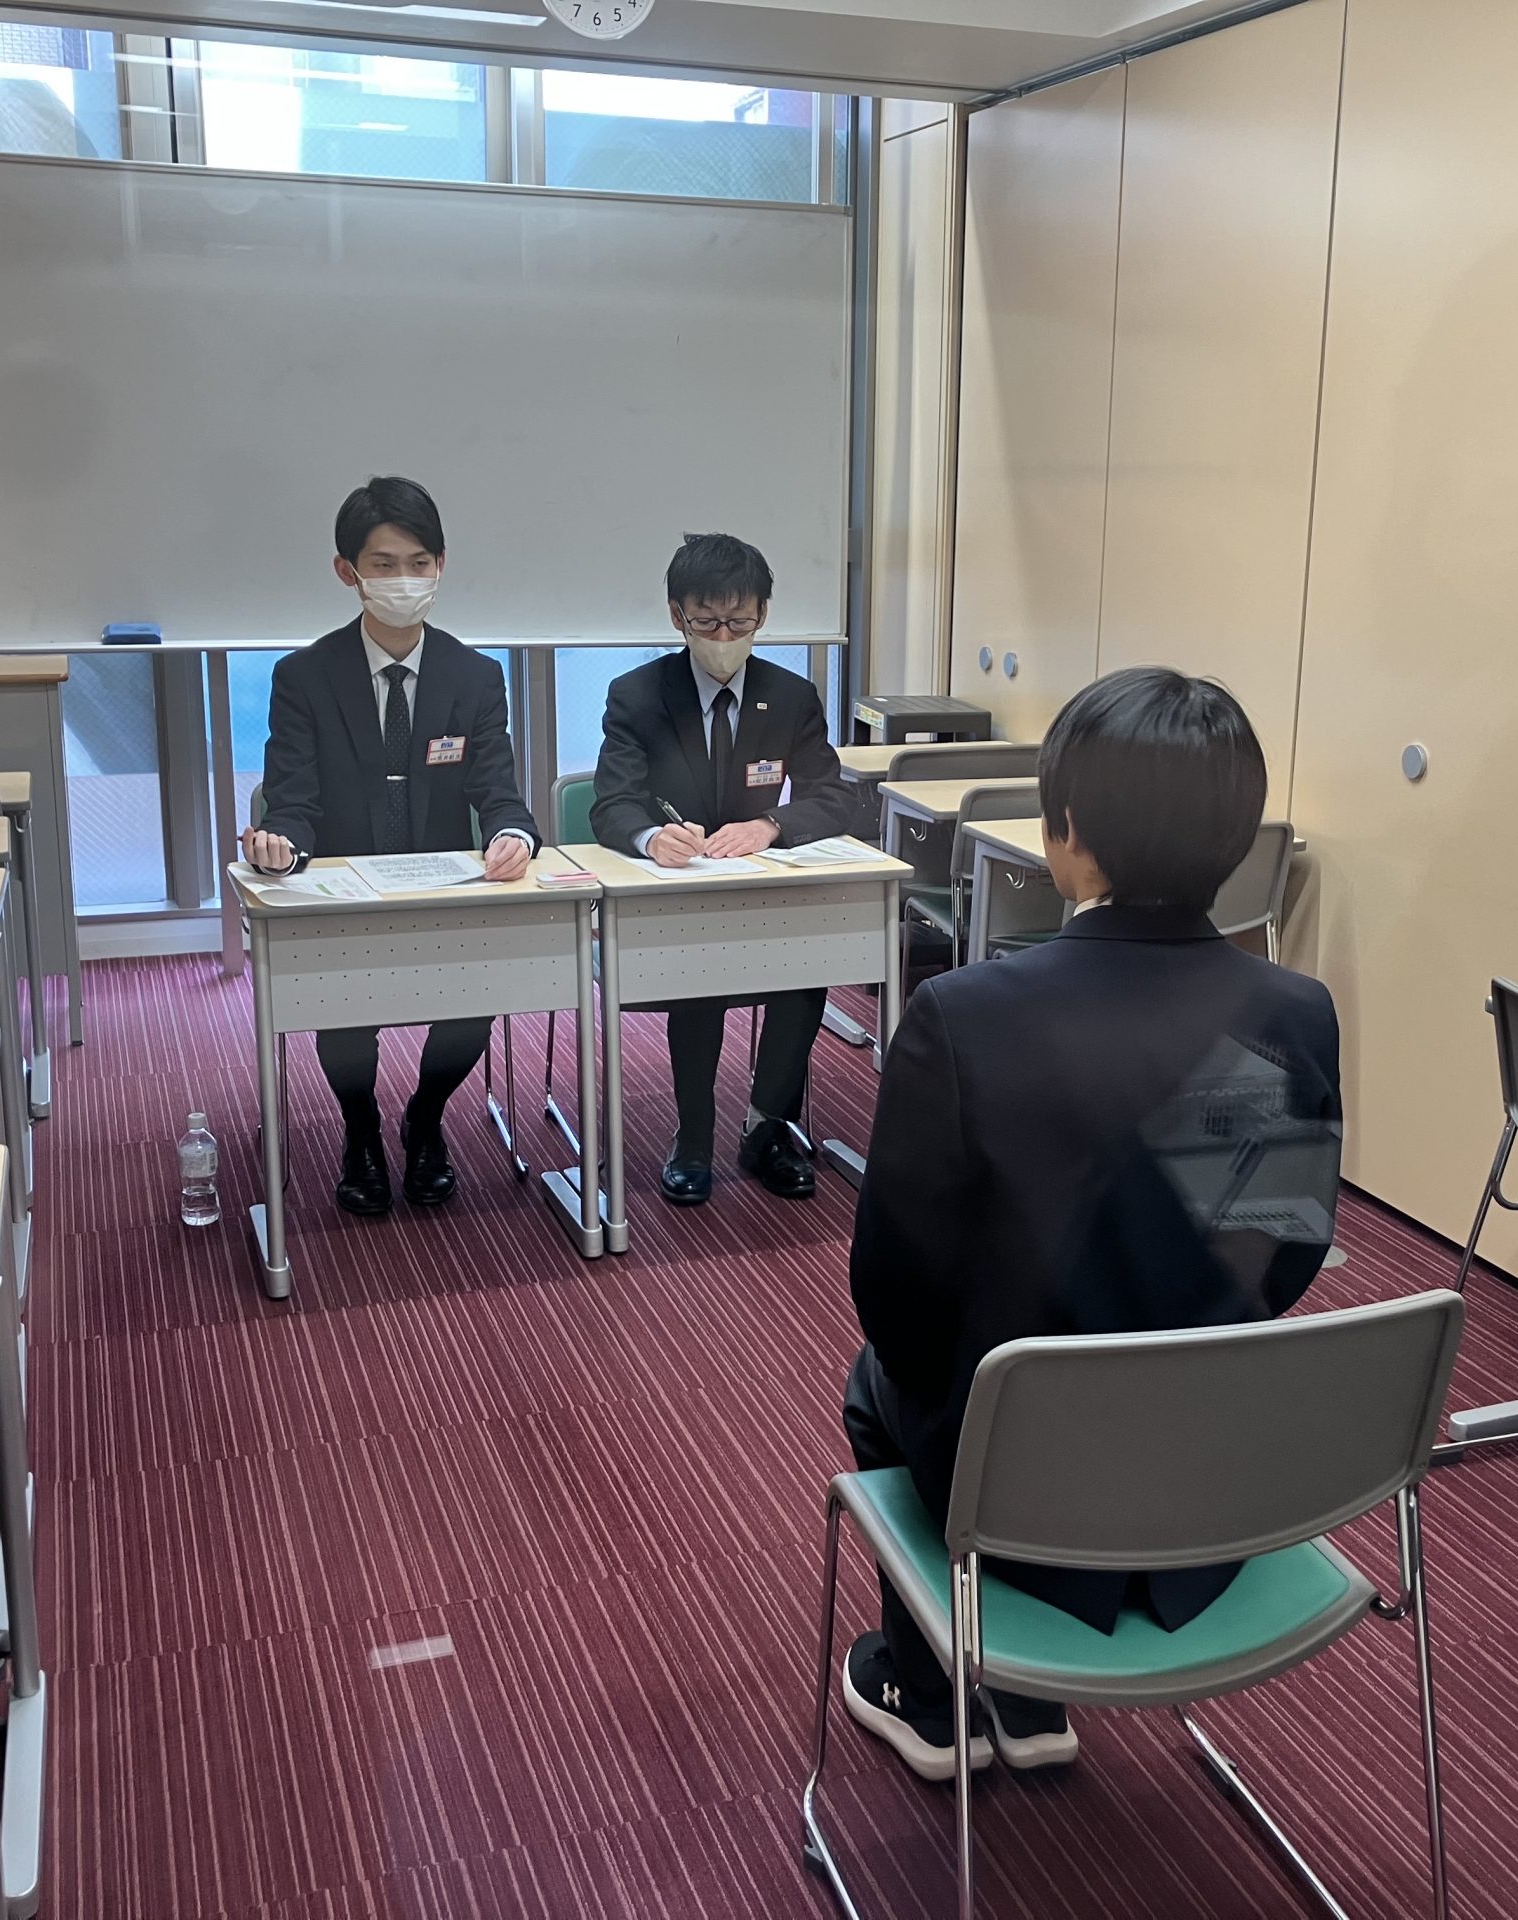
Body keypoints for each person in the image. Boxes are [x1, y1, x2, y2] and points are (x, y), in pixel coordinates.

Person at [838, 666, 1343, 1784]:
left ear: (1066, 833)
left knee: (877, 1384)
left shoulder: (965, 1015)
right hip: (1209, 1473)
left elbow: (896, 1293)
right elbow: (1279, 1257)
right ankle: (1028, 1698)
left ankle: (940, 1696)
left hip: (1013, 1473)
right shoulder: (1286, 1011)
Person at [243, 475, 539, 1218]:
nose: (404, 580)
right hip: (346, 899)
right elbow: (294, 802)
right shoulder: (304, 676)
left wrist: (511, 834)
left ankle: (426, 1116)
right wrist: (281, 845)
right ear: (348, 572)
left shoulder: (475, 676)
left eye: (419, 563)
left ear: (441, 565)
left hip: (444, 893)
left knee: (476, 1003)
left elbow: (500, 793)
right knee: (343, 1013)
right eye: (383, 564)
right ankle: (361, 1127)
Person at [589, 533, 850, 1206]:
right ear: (677, 615)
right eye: (707, 621)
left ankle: (768, 1127)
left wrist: (771, 825)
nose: (725, 636)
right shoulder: (638, 694)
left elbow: (834, 796)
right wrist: (651, 837)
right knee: (699, 977)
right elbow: (611, 804)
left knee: (806, 972)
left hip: (766, 896)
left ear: (763, 614)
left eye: (741, 620)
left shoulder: (790, 694)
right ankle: (694, 1136)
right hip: (679, 903)